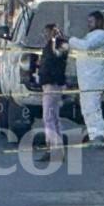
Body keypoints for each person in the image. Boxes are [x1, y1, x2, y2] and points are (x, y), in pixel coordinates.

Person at [66, 11, 104, 147]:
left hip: (94, 77)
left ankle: (99, 136)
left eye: (91, 21)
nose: (88, 24)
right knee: (87, 108)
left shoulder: (100, 35)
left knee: (93, 107)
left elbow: (85, 46)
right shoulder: (92, 36)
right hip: (87, 77)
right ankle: (94, 135)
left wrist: (69, 40)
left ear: (99, 22)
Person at [36, 23, 69, 161]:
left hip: (53, 85)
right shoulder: (51, 45)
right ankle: (57, 148)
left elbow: (55, 57)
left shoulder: (60, 45)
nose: (45, 35)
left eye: (47, 32)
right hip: (49, 84)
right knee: (53, 117)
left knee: (49, 117)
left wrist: (54, 40)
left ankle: (54, 149)